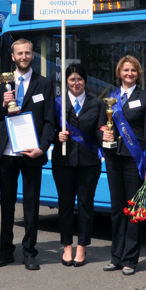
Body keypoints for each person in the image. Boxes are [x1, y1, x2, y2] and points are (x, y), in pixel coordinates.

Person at [0, 39, 55, 270]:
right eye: (20, 53)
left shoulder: (44, 83)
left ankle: (29, 252)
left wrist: (43, 147)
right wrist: (4, 105)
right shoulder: (3, 82)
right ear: (13, 56)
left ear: (32, 55)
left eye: (28, 53)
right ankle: (6, 251)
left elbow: (49, 121)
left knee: (31, 205)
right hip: (7, 152)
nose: (24, 57)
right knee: (6, 205)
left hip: (32, 153)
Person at [100, 55, 146, 276]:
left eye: (133, 70)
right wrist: (103, 132)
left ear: (138, 73)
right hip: (114, 158)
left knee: (134, 210)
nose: (129, 74)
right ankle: (116, 256)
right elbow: (102, 125)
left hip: (136, 161)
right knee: (116, 209)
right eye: (125, 70)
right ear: (119, 73)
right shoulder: (111, 98)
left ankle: (130, 259)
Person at [52, 63, 103, 267]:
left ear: (85, 81)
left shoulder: (97, 104)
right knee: (64, 205)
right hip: (63, 162)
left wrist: (105, 135)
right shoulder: (57, 103)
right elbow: (49, 129)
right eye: (72, 79)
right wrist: (58, 137)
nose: (76, 83)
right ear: (66, 81)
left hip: (89, 163)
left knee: (85, 205)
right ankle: (67, 246)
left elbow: (99, 131)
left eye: (79, 79)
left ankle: (82, 246)